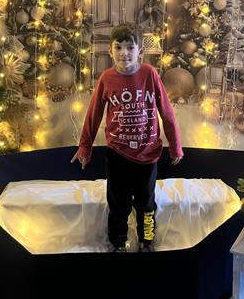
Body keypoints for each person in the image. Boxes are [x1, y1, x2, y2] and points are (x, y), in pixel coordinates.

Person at [71, 22, 183, 253]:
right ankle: (118, 244)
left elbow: (166, 112)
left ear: (140, 51)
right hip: (117, 154)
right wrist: (85, 146)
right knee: (118, 204)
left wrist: (175, 145)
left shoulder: (150, 75)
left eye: (130, 47)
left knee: (146, 204)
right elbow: (93, 114)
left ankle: (146, 241)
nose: (124, 53)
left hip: (148, 153)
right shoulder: (106, 79)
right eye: (118, 47)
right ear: (110, 50)